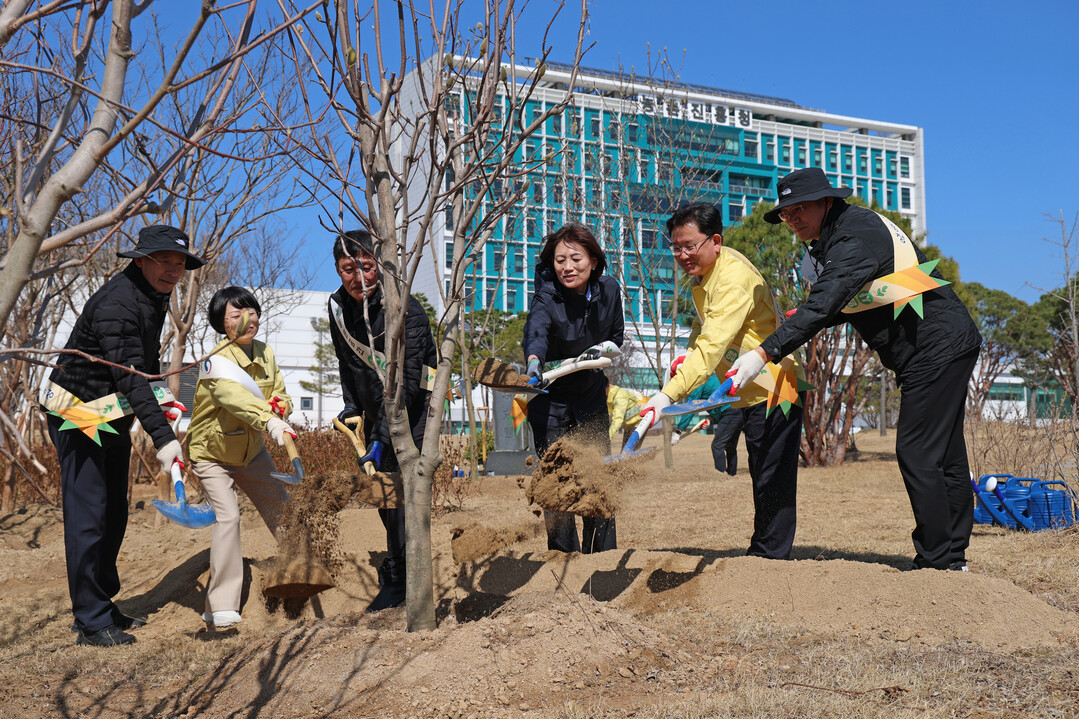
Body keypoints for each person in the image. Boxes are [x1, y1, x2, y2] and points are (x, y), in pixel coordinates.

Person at [728, 168, 982, 571]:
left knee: (916, 450)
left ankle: (937, 562)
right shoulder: (840, 234)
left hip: (936, 345)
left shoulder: (851, 238)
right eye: (786, 212)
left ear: (827, 201)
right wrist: (809, 317)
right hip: (941, 342)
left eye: (799, 209)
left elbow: (826, 301)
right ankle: (952, 558)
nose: (791, 218)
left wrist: (763, 353)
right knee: (946, 455)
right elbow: (852, 298)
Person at [41, 225, 203, 646]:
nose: (173, 270)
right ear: (141, 260)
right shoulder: (116, 303)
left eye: (180, 263)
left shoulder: (152, 296)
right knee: (89, 515)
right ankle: (90, 621)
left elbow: (145, 365)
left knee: (114, 511)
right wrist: (165, 439)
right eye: (164, 261)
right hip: (75, 416)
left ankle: (100, 602)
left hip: (110, 414)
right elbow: (130, 377)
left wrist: (163, 397)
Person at [640, 204, 806, 560]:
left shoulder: (730, 279)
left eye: (690, 246)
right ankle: (765, 552)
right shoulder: (706, 276)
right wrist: (685, 358)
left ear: (715, 241)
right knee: (761, 474)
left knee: (772, 479)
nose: (682, 255)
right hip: (748, 393)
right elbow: (702, 332)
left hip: (778, 387)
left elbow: (712, 346)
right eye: (676, 247)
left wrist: (666, 396)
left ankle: (770, 558)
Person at [328, 229, 437, 612]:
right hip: (376, 415)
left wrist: (380, 437)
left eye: (367, 267)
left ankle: (406, 581)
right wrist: (351, 407)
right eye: (347, 269)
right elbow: (345, 363)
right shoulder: (337, 307)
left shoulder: (408, 311)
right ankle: (399, 573)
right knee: (385, 498)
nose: (358, 277)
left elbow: (406, 386)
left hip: (415, 414)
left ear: (381, 267)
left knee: (404, 495)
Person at [186, 286, 297, 629]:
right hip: (212, 454)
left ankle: (306, 568)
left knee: (283, 508)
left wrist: (282, 407)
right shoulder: (214, 361)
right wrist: (270, 420)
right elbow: (234, 398)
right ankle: (219, 606)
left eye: (252, 311)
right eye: (237, 315)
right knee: (229, 519)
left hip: (252, 452)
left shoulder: (265, 352)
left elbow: (278, 391)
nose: (248, 319)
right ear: (223, 324)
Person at [523, 224, 624, 553]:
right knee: (558, 486)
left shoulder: (609, 291)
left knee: (597, 483)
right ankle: (562, 559)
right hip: (550, 403)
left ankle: (603, 559)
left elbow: (617, 339)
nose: (567, 267)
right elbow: (536, 330)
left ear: (594, 261)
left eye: (575, 259)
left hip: (591, 400)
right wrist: (534, 360)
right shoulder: (546, 295)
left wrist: (604, 348)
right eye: (559, 259)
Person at [669, 371, 744, 476]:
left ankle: (721, 475)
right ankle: (731, 475)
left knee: (717, 446)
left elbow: (692, 407)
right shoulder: (708, 378)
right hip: (737, 411)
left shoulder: (697, 383)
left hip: (730, 413)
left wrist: (678, 430)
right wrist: (709, 418)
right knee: (730, 446)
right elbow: (716, 402)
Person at [606, 379, 645, 449]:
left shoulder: (619, 397)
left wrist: (606, 439)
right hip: (629, 425)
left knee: (628, 454)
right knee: (624, 455)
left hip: (639, 422)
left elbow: (618, 420)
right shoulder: (607, 395)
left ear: (608, 386)